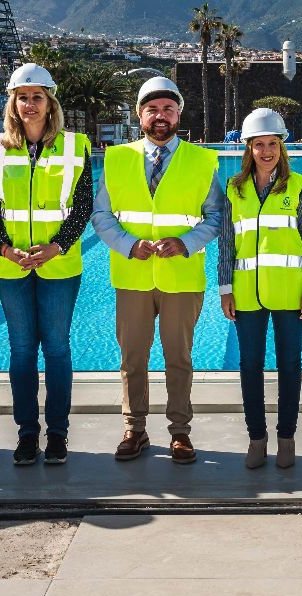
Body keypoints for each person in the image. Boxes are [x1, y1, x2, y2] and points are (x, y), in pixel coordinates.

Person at [91, 76, 221, 463]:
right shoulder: (116, 159)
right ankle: (135, 429)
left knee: (179, 358)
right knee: (133, 357)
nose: (160, 116)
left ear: (178, 113)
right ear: (139, 115)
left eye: (167, 109)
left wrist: (186, 242)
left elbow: (216, 216)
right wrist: (130, 245)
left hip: (182, 276)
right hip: (132, 277)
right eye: (152, 110)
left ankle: (180, 431)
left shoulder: (202, 160)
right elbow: (102, 216)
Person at [0, 63, 92, 466]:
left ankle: (57, 435)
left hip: (59, 266)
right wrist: (6, 249)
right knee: (23, 350)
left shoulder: (75, 145)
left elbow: (83, 206)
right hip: (11, 266)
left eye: (37, 97)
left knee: (58, 349)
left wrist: (57, 246)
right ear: (13, 102)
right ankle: (27, 435)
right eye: (22, 97)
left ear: (50, 103)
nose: (29, 104)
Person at [218, 108, 302, 469]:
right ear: (248, 148)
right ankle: (257, 439)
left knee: (291, 364)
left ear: (282, 146)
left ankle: (286, 437)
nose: (266, 151)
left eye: (272, 144)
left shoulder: (299, 185)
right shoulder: (234, 189)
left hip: (290, 291)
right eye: (259, 145)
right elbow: (227, 244)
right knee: (250, 366)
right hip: (246, 293)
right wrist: (225, 289)